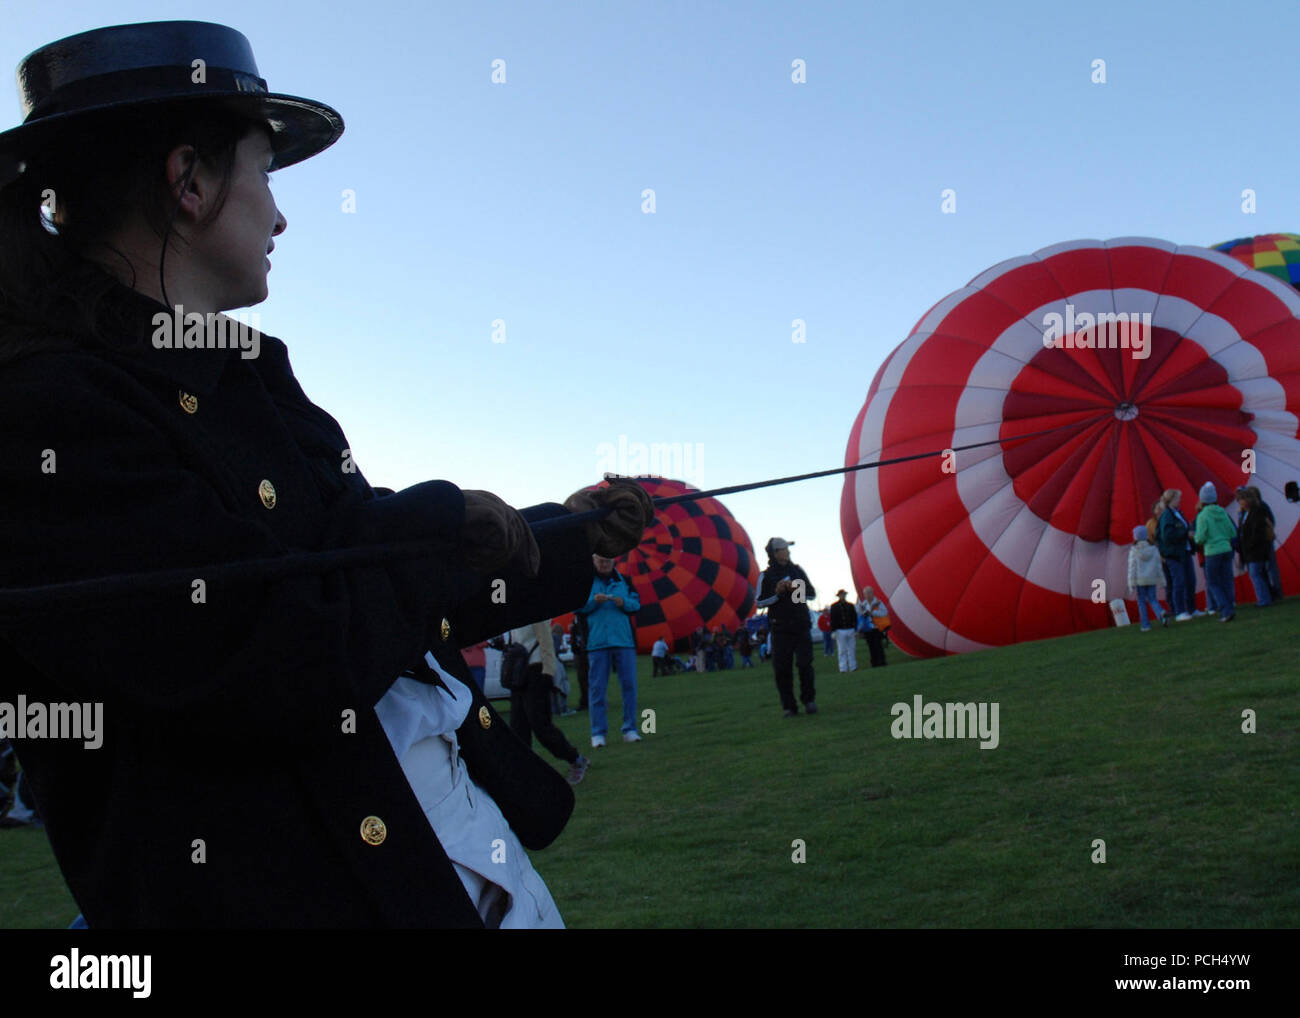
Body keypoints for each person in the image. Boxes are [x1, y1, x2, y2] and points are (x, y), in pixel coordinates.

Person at [0, 21, 657, 928]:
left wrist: (567, 532)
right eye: (264, 174)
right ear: (188, 182)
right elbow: (266, 648)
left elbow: (382, 583)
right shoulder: (48, 414)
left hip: (445, 861)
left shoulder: (246, 385)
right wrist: (438, 523)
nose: (278, 215)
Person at [507, 622, 589, 783]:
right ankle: (524, 774)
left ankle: (576, 760)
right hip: (519, 670)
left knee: (540, 725)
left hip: (537, 669)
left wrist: (548, 672)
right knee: (518, 727)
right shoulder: (512, 609)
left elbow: (546, 639)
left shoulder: (534, 605)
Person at [577, 554, 642, 746]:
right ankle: (598, 733)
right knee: (597, 689)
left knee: (629, 686)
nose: (604, 564)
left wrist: (624, 603)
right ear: (594, 562)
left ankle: (630, 729)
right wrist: (593, 601)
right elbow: (577, 607)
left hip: (624, 641)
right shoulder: (586, 582)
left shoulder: (625, 581)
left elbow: (636, 604)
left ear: (614, 562)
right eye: (600, 561)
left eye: (607, 561)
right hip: (597, 643)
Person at [754, 538, 817, 717]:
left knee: (805, 664)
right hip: (780, 628)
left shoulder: (797, 571)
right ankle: (789, 706)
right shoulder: (765, 576)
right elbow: (759, 602)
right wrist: (777, 592)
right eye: (783, 549)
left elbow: (810, 595)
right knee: (782, 668)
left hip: (801, 624)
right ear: (774, 553)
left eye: (787, 549)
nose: (787, 552)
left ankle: (809, 700)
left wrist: (795, 588)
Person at [1193, 483, 1236, 622]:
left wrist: (1193, 537)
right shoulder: (1222, 512)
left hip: (1212, 552)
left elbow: (1200, 538)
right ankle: (1231, 606)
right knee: (1227, 580)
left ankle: (1226, 610)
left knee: (1213, 582)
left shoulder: (1202, 516)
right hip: (1226, 549)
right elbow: (1232, 531)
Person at [1157, 488, 1195, 620]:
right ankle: (1180, 611)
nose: (1180, 500)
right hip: (1175, 554)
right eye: (1178, 498)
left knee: (1190, 581)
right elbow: (1167, 535)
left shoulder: (1177, 513)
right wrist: (1186, 534)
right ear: (1171, 500)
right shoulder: (1167, 515)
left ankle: (1191, 609)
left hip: (1184, 551)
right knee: (1179, 582)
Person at [1236, 488, 1275, 607]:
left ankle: (1264, 600)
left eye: (1242, 499)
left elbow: (1256, 531)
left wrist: (1250, 545)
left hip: (1256, 550)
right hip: (1250, 550)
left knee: (1255, 574)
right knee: (1257, 574)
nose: (1240, 502)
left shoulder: (1257, 511)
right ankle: (1265, 598)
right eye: (1239, 499)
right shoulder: (1244, 514)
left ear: (1248, 500)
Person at [1245, 486, 1283, 600]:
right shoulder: (1256, 509)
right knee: (1266, 569)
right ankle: (1272, 593)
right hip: (1263, 543)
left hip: (1263, 543)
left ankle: (1274, 593)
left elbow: (1264, 525)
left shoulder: (1259, 508)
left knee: (1268, 569)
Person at [1127, 525, 1168, 631]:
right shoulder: (1153, 549)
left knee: (1141, 601)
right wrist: (1162, 580)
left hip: (1140, 580)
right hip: (1152, 578)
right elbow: (1158, 565)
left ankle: (1145, 625)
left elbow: (1132, 568)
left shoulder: (1134, 550)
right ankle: (1160, 612)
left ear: (1135, 537)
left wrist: (1131, 583)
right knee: (1153, 599)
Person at [857, 585, 890, 667]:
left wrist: (873, 613)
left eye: (869, 593)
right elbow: (859, 614)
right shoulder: (863, 604)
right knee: (871, 646)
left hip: (877, 627)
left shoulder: (878, 603)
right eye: (866, 593)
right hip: (868, 629)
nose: (868, 595)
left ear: (873, 593)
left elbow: (884, 613)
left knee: (878, 645)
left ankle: (882, 662)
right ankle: (874, 663)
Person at [829, 589, 858, 672]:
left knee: (852, 649)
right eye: (841, 594)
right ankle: (843, 668)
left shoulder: (850, 605)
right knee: (842, 650)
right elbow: (833, 619)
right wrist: (833, 631)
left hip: (850, 629)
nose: (843, 596)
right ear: (839, 596)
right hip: (840, 630)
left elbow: (854, 618)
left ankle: (853, 667)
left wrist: (855, 629)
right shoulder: (834, 606)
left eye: (844, 594)